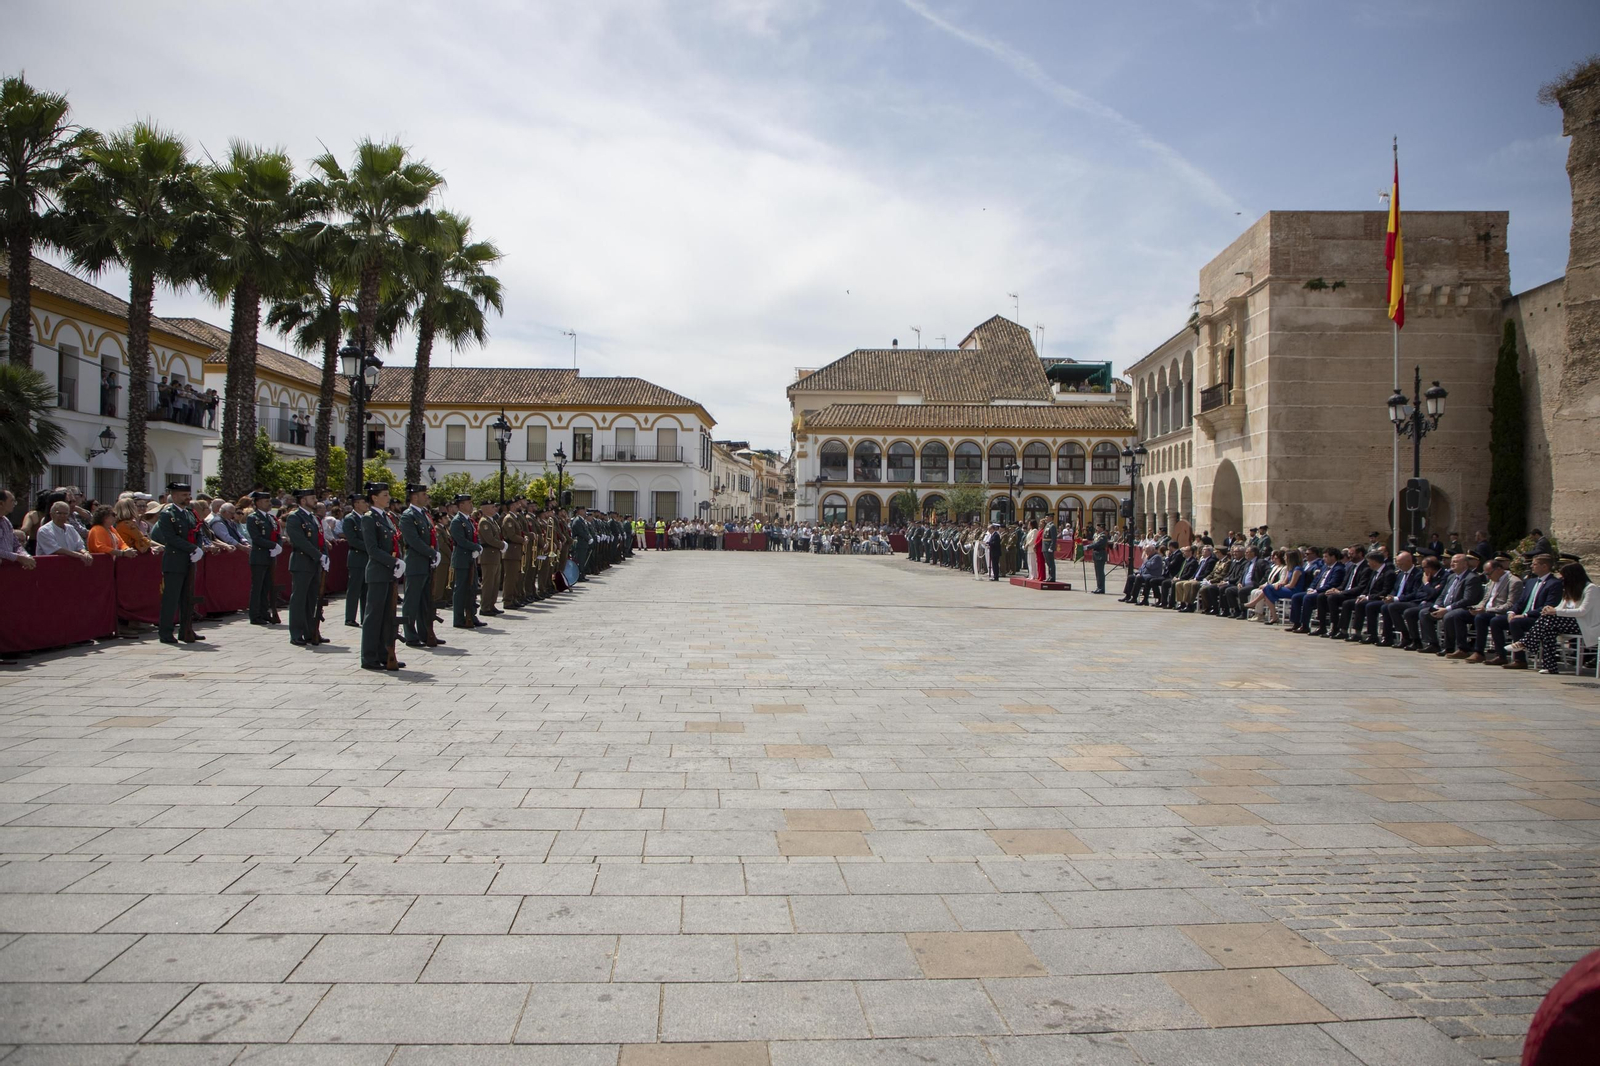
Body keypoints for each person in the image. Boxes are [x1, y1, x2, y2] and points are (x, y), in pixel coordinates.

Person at [1515, 562, 1597, 675]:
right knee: (1548, 626)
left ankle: (1526, 642)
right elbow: (1561, 607)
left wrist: (1556, 611)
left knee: (1550, 621)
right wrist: (1550, 609)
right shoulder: (1570, 589)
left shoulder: (1591, 588)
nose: (1561, 580)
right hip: (1567, 623)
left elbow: (1582, 611)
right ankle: (1549, 666)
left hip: (1584, 624)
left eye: (1563, 577)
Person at [150, 481, 202, 644]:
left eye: (188, 495)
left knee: (187, 597)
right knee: (171, 599)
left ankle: (186, 629)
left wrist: (197, 548)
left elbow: (197, 532)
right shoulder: (167, 514)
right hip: (174, 560)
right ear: (173, 496)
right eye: (183, 495)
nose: (187, 498)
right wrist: (192, 548)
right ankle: (165, 633)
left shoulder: (189, 513)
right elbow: (171, 538)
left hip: (188, 559)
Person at [359, 482, 403, 671]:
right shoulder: (369, 519)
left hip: (388, 572)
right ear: (374, 498)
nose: (388, 498)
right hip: (378, 572)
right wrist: (393, 562)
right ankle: (369, 657)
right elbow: (373, 549)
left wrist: (397, 561)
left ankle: (384, 653)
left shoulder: (387, 517)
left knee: (387, 616)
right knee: (374, 616)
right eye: (384, 495)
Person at [1501, 554, 1564, 669]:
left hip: (1539, 618)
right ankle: (1500, 656)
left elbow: (1548, 606)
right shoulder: (1531, 582)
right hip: (1522, 615)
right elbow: (1521, 601)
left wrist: (1525, 615)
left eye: (1534, 564)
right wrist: (1512, 612)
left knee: (1516, 623)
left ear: (1544, 566)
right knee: (1496, 621)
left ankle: (1519, 660)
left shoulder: (1554, 583)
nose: (1531, 567)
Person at [399, 483, 442, 648]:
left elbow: (432, 537)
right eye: (424, 494)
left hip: (426, 563)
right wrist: (432, 553)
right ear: (414, 496)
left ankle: (426, 633)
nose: (427, 497)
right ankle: (410, 635)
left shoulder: (425, 514)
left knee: (425, 602)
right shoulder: (407, 516)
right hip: (416, 563)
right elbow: (414, 541)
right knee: (412, 601)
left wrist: (435, 553)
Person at [284, 487, 327, 648]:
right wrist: (318, 555)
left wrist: (324, 555)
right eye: (312, 497)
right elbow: (300, 541)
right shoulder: (295, 518)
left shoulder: (313, 518)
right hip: (302, 563)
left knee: (311, 600)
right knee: (299, 600)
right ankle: (296, 633)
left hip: (314, 563)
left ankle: (311, 631)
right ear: (303, 500)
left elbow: (320, 539)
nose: (315, 500)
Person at [1458, 555, 1521, 662]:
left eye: (1489, 573)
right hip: (1486, 611)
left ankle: (1484, 652)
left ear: (1499, 569)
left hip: (1500, 612)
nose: (1488, 576)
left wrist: (1486, 610)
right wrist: (1477, 607)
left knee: (1482, 618)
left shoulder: (1514, 582)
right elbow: (1485, 599)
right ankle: (1462, 648)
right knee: (1458, 614)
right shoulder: (1492, 581)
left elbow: (1510, 604)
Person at [246, 490, 281, 626]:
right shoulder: (253, 518)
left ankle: (264, 612)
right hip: (259, 556)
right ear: (258, 502)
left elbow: (277, 534)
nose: (269, 503)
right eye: (266, 501)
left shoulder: (271, 518)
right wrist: (273, 545)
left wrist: (278, 545)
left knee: (267, 586)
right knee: (258, 587)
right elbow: (256, 538)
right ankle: (255, 615)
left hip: (270, 556)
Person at [449, 494, 481, 629]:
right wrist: (475, 547)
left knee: (472, 588)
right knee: (461, 589)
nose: (471, 505)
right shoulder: (457, 521)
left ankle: (471, 615)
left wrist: (477, 547)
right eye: (468, 503)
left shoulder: (468, 520)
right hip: (462, 559)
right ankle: (458, 618)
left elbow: (474, 537)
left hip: (470, 558)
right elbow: (460, 540)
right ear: (461, 505)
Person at [341, 494, 369, 628]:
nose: (366, 505)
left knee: (366, 590)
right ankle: (350, 617)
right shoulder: (350, 519)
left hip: (367, 559)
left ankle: (366, 617)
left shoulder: (366, 518)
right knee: (354, 589)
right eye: (363, 502)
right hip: (357, 558)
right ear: (356, 504)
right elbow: (352, 540)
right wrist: (371, 547)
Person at [477, 499, 505, 617]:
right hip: (488, 555)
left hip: (495, 555)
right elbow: (489, 539)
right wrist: (503, 545)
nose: (495, 509)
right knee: (488, 583)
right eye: (492, 507)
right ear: (486, 508)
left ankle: (491, 605)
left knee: (494, 582)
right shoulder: (484, 522)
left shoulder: (492, 521)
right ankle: (485, 607)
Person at [0, 490, 35, 571]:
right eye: (12, 501)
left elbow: (16, 544)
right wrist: (18, 558)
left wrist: (26, 556)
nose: (14, 504)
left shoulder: (6, 521)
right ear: (1, 503)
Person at [1088, 526, 1111, 594]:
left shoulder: (1103, 536)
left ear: (1102, 528)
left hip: (1100, 555)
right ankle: (1099, 587)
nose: (1096, 529)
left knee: (1100, 573)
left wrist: (1088, 547)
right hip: (1096, 555)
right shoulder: (1097, 535)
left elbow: (1097, 544)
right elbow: (1094, 543)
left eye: (1098, 528)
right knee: (1097, 573)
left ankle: (1101, 588)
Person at [1042, 515, 1058, 583]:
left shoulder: (1052, 526)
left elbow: (1054, 538)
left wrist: (1051, 547)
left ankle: (1052, 577)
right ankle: (1049, 576)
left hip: (1048, 546)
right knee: (1048, 563)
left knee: (1051, 562)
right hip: (1045, 546)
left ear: (1051, 518)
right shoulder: (1047, 525)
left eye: (1046, 517)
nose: (1045, 518)